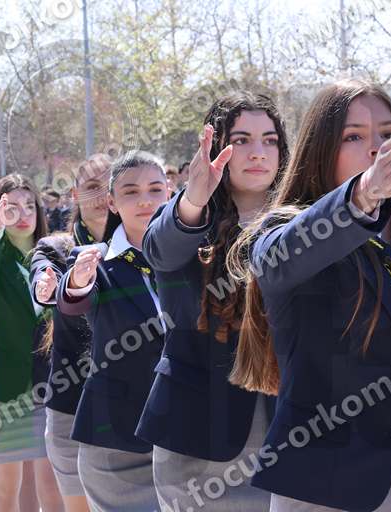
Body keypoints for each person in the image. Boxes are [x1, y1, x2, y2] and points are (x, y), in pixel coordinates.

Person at [229, 80, 391, 511]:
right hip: (323, 485)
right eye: (353, 136)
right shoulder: (287, 231)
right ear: (321, 149)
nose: (376, 147)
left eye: (388, 133)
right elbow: (279, 262)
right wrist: (360, 198)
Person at [136, 92, 288, 511]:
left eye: (270, 140)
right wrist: (194, 198)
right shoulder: (188, 214)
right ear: (217, 146)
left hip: (290, 436)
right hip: (198, 440)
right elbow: (160, 252)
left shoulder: (305, 220)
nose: (258, 153)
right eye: (241, 140)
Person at [56, 151, 171, 511]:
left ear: (170, 192)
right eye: (131, 192)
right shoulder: (94, 260)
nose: (145, 201)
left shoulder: (195, 256)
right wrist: (77, 280)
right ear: (111, 202)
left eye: (155, 189)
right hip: (116, 438)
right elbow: (73, 299)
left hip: (187, 434)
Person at [0, 174, 63, 512]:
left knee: (50, 488)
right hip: (3, 392)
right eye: (12, 207)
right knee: (7, 488)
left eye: (29, 206)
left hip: (50, 387)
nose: (22, 214)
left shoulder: (55, 253)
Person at [28, 154, 112, 512]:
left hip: (132, 405)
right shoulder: (56, 248)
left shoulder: (144, 243)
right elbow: (41, 277)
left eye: (109, 186)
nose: (101, 196)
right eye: (92, 187)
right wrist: (47, 287)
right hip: (71, 402)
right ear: (75, 194)